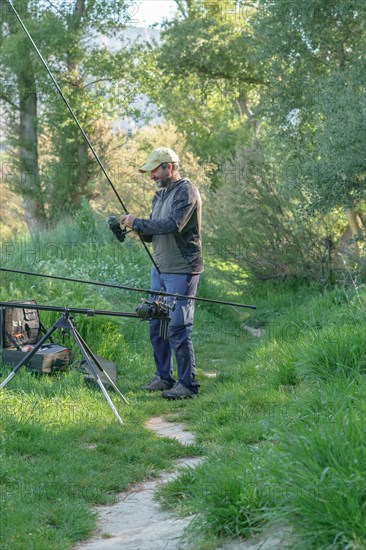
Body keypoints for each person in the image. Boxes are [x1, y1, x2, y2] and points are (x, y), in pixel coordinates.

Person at [121, 147, 203, 399]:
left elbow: (172, 225)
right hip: (159, 269)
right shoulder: (158, 197)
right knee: (156, 323)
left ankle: (187, 385)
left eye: (155, 170)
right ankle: (163, 377)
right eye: (150, 171)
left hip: (182, 269)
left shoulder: (186, 191)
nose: (152, 176)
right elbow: (153, 232)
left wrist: (138, 223)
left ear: (169, 166)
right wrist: (134, 228)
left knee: (178, 326)